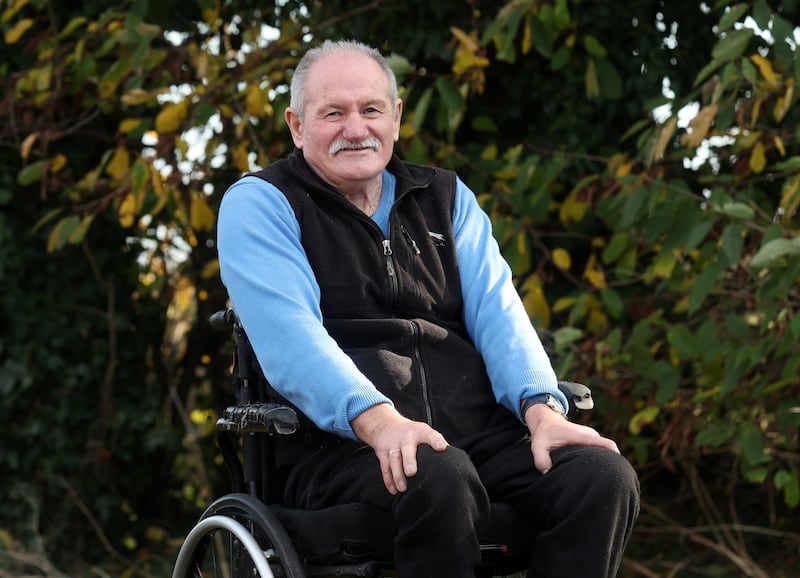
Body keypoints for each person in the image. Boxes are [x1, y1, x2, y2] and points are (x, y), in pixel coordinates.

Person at [217, 39, 639, 578]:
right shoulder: (262, 203)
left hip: (474, 439)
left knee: (601, 476)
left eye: (370, 109)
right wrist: (380, 421)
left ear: (394, 118)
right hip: (338, 450)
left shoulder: (445, 196)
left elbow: (501, 315)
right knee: (437, 474)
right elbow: (292, 339)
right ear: (297, 126)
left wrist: (542, 411)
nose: (355, 128)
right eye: (333, 113)